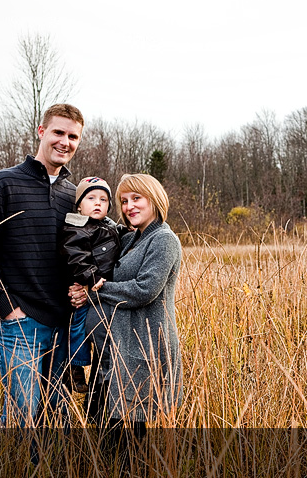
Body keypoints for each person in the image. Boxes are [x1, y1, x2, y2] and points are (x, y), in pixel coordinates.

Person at [0, 103, 84, 427]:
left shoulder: (74, 196)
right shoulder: (3, 184)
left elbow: (84, 254)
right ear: (42, 132)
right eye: (58, 132)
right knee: (22, 416)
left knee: (56, 413)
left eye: (73, 136)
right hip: (21, 323)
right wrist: (6, 307)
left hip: (63, 324)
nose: (65, 141)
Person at [70, 173, 182, 440]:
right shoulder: (132, 238)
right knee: (103, 425)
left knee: (128, 433)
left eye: (136, 198)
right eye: (123, 201)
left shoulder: (163, 240)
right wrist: (79, 285)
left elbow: (145, 290)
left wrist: (95, 290)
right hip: (113, 347)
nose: (129, 206)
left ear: (154, 199)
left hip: (139, 348)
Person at [58, 176, 121, 394]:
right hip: (86, 283)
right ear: (79, 205)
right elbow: (75, 257)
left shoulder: (109, 225)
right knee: (78, 324)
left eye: (103, 200)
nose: (98, 203)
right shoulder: (76, 228)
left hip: (103, 290)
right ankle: (74, 365)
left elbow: (118, 235)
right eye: (91, 198)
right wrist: (91, 277)